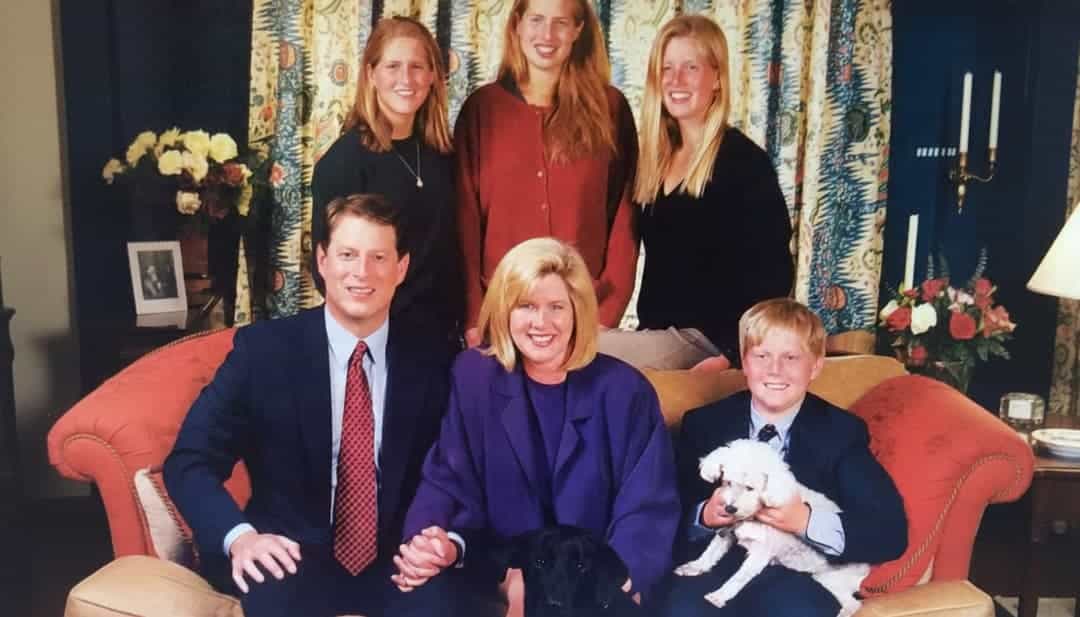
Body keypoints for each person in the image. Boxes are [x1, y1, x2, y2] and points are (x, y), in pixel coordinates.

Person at [163, 194, 459, 617]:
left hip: (398, 558)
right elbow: (189, 461)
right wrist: (239, 537)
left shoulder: (435, 357)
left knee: (453, 604)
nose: (362, 272)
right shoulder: (262, 353)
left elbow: (464, 469)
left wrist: (443, 542)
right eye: (347, 255)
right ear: (322, 261)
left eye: (378, 257)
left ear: (401, 267)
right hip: (288, 555)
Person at [393, 237, 680, 611]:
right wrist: (430, 542)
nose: (541, 323)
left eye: (556, 307)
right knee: (421, 600)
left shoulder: (625, 391)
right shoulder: (474, 376)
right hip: (497, 566)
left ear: (578, 312)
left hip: (587, 574)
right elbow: (448, 477)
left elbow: (647, 503)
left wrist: (618, 577)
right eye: (526, 306)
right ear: (504, 311)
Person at [660, 298, 907, 617]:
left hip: (796, 575)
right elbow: (663, 511)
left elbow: (888, 532)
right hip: (713, 565)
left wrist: (804, 520)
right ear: (745, 363)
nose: (774, 369)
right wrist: (704, 516)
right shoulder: (704, 424)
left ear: (816, 365)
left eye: (791, 357)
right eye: (761, 355)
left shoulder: (840, 433)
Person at [598, 15, 794, 371]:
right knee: (562, 340)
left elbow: (774, 277)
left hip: (706, 341)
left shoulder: (743, 162)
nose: (675, 80)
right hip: (658, 334)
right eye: (667, 67)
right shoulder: (654, 161)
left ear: (717, 78)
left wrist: (731, 355)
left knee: (574, 348)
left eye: (691, 67)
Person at [455, 0, 640, 347]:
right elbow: (465, 222)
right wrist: (473, 315)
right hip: (501, 316)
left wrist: (605, 316)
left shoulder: (611, 109)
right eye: (536, 20)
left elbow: (624, 221)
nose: (547, 35)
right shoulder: (481, 110)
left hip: (582, 317)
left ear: (578, 30)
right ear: (517, 25)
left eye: (560, 22)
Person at [312, 16, 462, 343]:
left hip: (442, 334)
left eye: (417, 67)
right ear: (371, 74)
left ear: (434, 75)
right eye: (392, 66)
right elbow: (327, 270)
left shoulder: (443, 154)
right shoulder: (345, 161)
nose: (406, 79)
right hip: (381, 336)